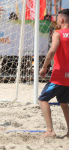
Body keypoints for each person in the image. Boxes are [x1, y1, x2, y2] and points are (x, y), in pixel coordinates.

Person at [39, 9, 69, 138]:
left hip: (59, 74)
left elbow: (52, 51)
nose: (56, 21)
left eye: (57, 19)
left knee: (42, 99)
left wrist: (44, 67)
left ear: (61, 20)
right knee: (64, 103)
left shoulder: (58, 33)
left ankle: (50, 131)